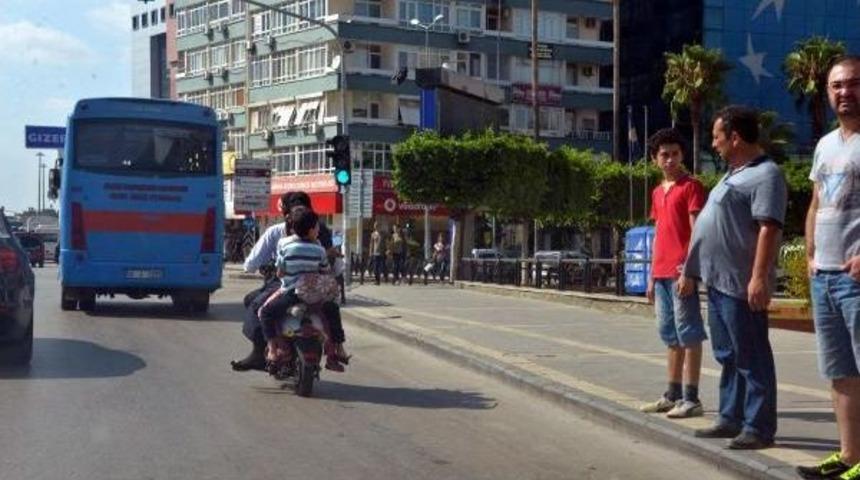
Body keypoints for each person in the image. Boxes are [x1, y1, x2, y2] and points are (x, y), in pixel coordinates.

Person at [681, 105, 787, 450]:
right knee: (727, 354)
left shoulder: (767, 174)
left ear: (735, 137)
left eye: (717, 137)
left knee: (751, 356)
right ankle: (730, 417)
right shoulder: (733, 173)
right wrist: (690, 270)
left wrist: (758, 278)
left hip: (741, 285)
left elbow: (768, 229)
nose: (714, 144)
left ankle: (758, 426)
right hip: (717, 281)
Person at [796, 56, 860, 480]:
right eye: (836, 86)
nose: (844, 92)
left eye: (852, 84)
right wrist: (809, 253)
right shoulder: (824, 145)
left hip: (857, 278)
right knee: (840, 373)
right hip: (825, 275)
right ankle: (850, 457)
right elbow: (817, 203)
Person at [231, 191, 348, 371]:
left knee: (259, 307)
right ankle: (337, 350)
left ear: (288, 216)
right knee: (332, 310)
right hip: (317, 291)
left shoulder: (279, 237)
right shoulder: (320, 239)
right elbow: (334, 268)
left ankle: (264, 350)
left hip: (287, 287)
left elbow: (266, 267)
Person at [640, 128, 708, 419]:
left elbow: (697, 232)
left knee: (689, 333)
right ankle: (672, 394)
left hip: (682, 272)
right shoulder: (657, 192)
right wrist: (651, 276)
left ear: (682, 155)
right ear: (655, 159)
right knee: (670, 335)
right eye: (664, 155)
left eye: (675, 154)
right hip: (662, 272)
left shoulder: (691, 187)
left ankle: (691, 398)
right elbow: (658, 234)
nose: (670, 160)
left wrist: (690, 272)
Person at [258, 208, 344, 372]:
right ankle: (336, 351)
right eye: (318, 228)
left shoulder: (283, 244)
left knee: (265, 312)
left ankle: (273, 349)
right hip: (314, 296)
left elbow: (280, 271)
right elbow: (324, 271)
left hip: (290, 293)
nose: (319, 231)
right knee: (333, 310)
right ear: (312, 230)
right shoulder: (319, 249)